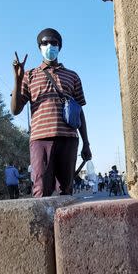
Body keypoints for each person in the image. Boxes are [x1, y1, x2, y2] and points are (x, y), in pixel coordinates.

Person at [11, 28, 92, 197]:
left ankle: (66, 224)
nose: (49, 46)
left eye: (53, 43)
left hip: (68, 139)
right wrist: (17, 81)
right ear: (39, 47)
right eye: (45, 43)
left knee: (65, 191)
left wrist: (86, 143)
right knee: (41, 189)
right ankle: (43, 224)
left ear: (59, 46)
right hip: (40, 140)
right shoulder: (30, 75)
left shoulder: (72, 76)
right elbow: (15, 110)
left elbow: (79, 111)